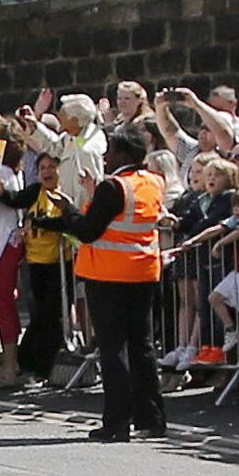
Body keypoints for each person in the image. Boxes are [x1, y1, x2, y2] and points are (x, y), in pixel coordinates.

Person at [66, 124, 171, 442]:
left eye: (110, 150)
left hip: (109, 274)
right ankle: (151, 418)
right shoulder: (154, 181)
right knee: (142, 345)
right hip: (143, 271)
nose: (104, 155)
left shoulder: (112, 187)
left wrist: (69, 210)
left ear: (123, 153)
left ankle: (116, 422)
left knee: (114, 349)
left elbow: (88, 230)